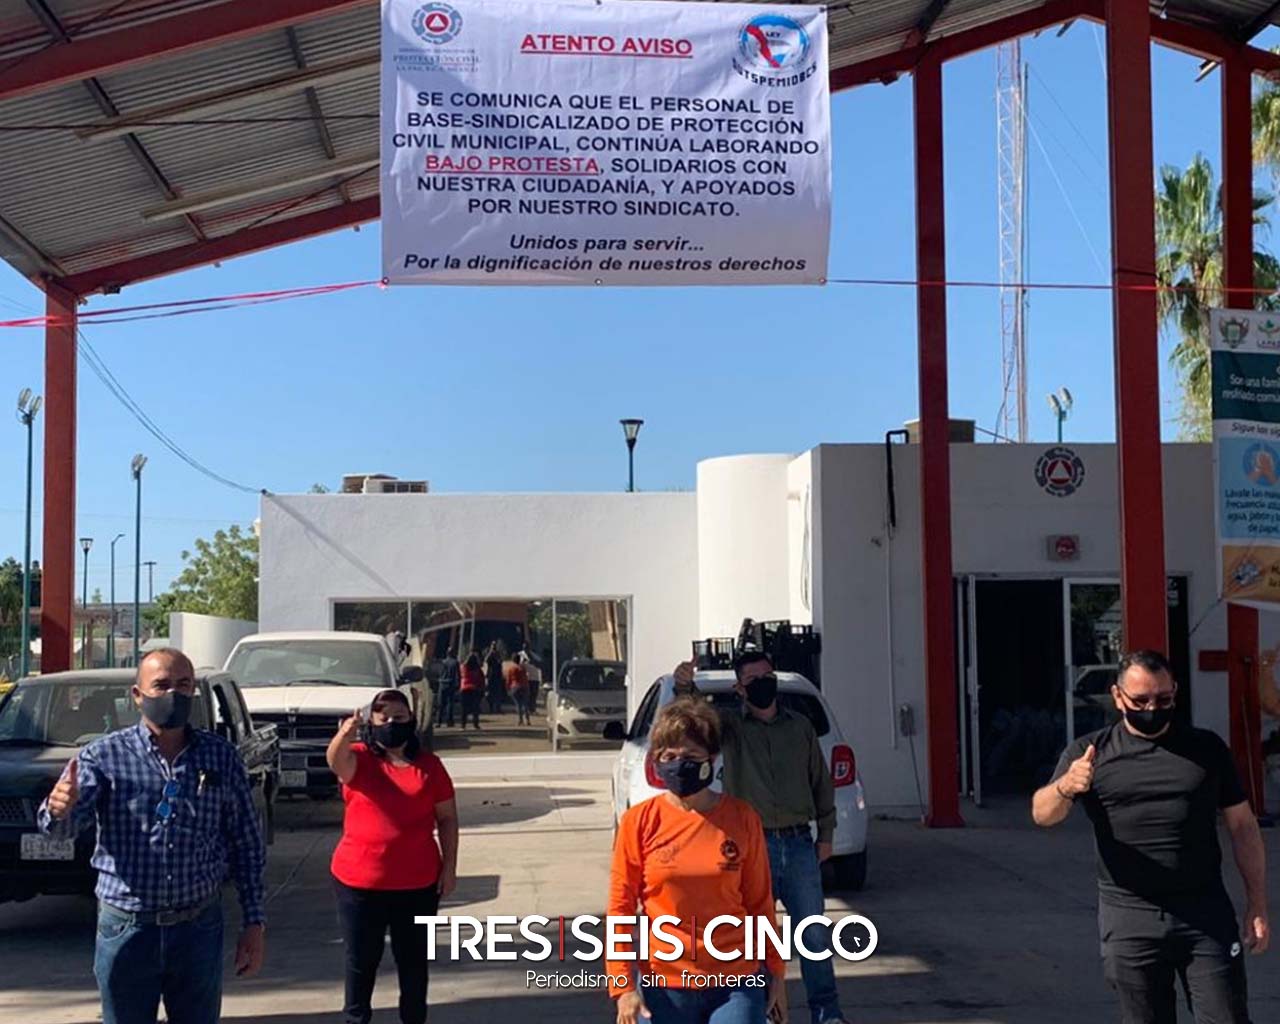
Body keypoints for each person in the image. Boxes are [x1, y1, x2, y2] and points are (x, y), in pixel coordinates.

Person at [1032, 649, 1270, 1024]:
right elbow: (1042, 814)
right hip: (1130, 918)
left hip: (1205, 913)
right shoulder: (1090, 753)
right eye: (1140, 700)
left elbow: (1243, 826)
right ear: (1117, 696)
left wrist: (1257, 903)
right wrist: (1066, 786)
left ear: (1175, 692)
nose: (1152, 708)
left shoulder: (1206, 749)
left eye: (1163, 699)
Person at [37, 648, 266, 1024]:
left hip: (198, 928)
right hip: (127, 930)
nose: (172, 695)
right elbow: (61, 832)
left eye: (183, 685)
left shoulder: (220, 756)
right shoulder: (103, 756)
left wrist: (254, 923)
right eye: (160, 685)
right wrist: (57, 808)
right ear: (137, 695)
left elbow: (246, 842)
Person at [674, 650, 846, 1024]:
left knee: (814, 937)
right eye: (754, 680)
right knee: (755, 937)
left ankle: (827, 1014)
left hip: (799, 844)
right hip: (753, 850)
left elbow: (821, 781)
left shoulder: (799, 727)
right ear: (740, 689)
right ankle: (768, 1012)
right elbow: (693, 722)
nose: (764, 684)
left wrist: (826, 833)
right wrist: (684, 685)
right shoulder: (731, 729)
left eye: (768, 676)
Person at [608, 698, 784, 1024]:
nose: (679, 764)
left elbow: (760, 902)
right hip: (665, 983)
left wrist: (775, 969)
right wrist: (623, 987)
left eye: (690, 756)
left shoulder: (742, 818)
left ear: (711, 760)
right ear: (656, 761)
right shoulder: (639, 822)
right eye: (669, 756)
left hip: (736, 981)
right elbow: (620, 908)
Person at [327, 689, 459, 1024]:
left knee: (413, 964)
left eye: (399, 718)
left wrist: (449, 869)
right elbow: (334, 760)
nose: (391, 724)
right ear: (372, 722)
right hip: (358, 885)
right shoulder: (359, 759)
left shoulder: (430, 767)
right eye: (383, 718)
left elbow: (447, 819)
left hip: (417, 885)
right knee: (361, 961)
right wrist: (346, 731)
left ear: (411, 721)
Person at [459, 651, 484, 731]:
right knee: (475, 708)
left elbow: (460, 675)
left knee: (464, 709)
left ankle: (463, 725)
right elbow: (481, 679)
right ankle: (475, 725)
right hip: (474, 689)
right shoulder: (477, 669)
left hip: (464, 689)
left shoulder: (463, 667)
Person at [436, 645, 460, 728]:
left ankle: (438, 722)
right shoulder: (455, 662)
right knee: (450, 704)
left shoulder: (443, 662)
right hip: (451, 684)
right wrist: (458, 685)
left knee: (441, 704)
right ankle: (449, 722)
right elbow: (458, 675)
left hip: (442, 684)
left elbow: (439, 673)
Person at [504, 655, 531, 725]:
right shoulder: (522, 668)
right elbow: (525, 678)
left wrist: (507, 689)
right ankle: (528, 720)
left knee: (518, 704)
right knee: (525, 704)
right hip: (524, 686)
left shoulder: (511, 669)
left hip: (515, 687)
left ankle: (520, 720)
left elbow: (508, 680)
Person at [483, 642, 504, 714]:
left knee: (498, 693)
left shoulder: (498, 654)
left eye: (495, 646)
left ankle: (498, 708)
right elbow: (486, 660)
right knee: (490, 693)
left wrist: (497, 656)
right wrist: (490, 653)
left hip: (497, 676)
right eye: (493, 646)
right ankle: (491, 708)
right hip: (491, 676)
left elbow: (501, 662)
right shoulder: (489, 655)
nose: (494, 647)